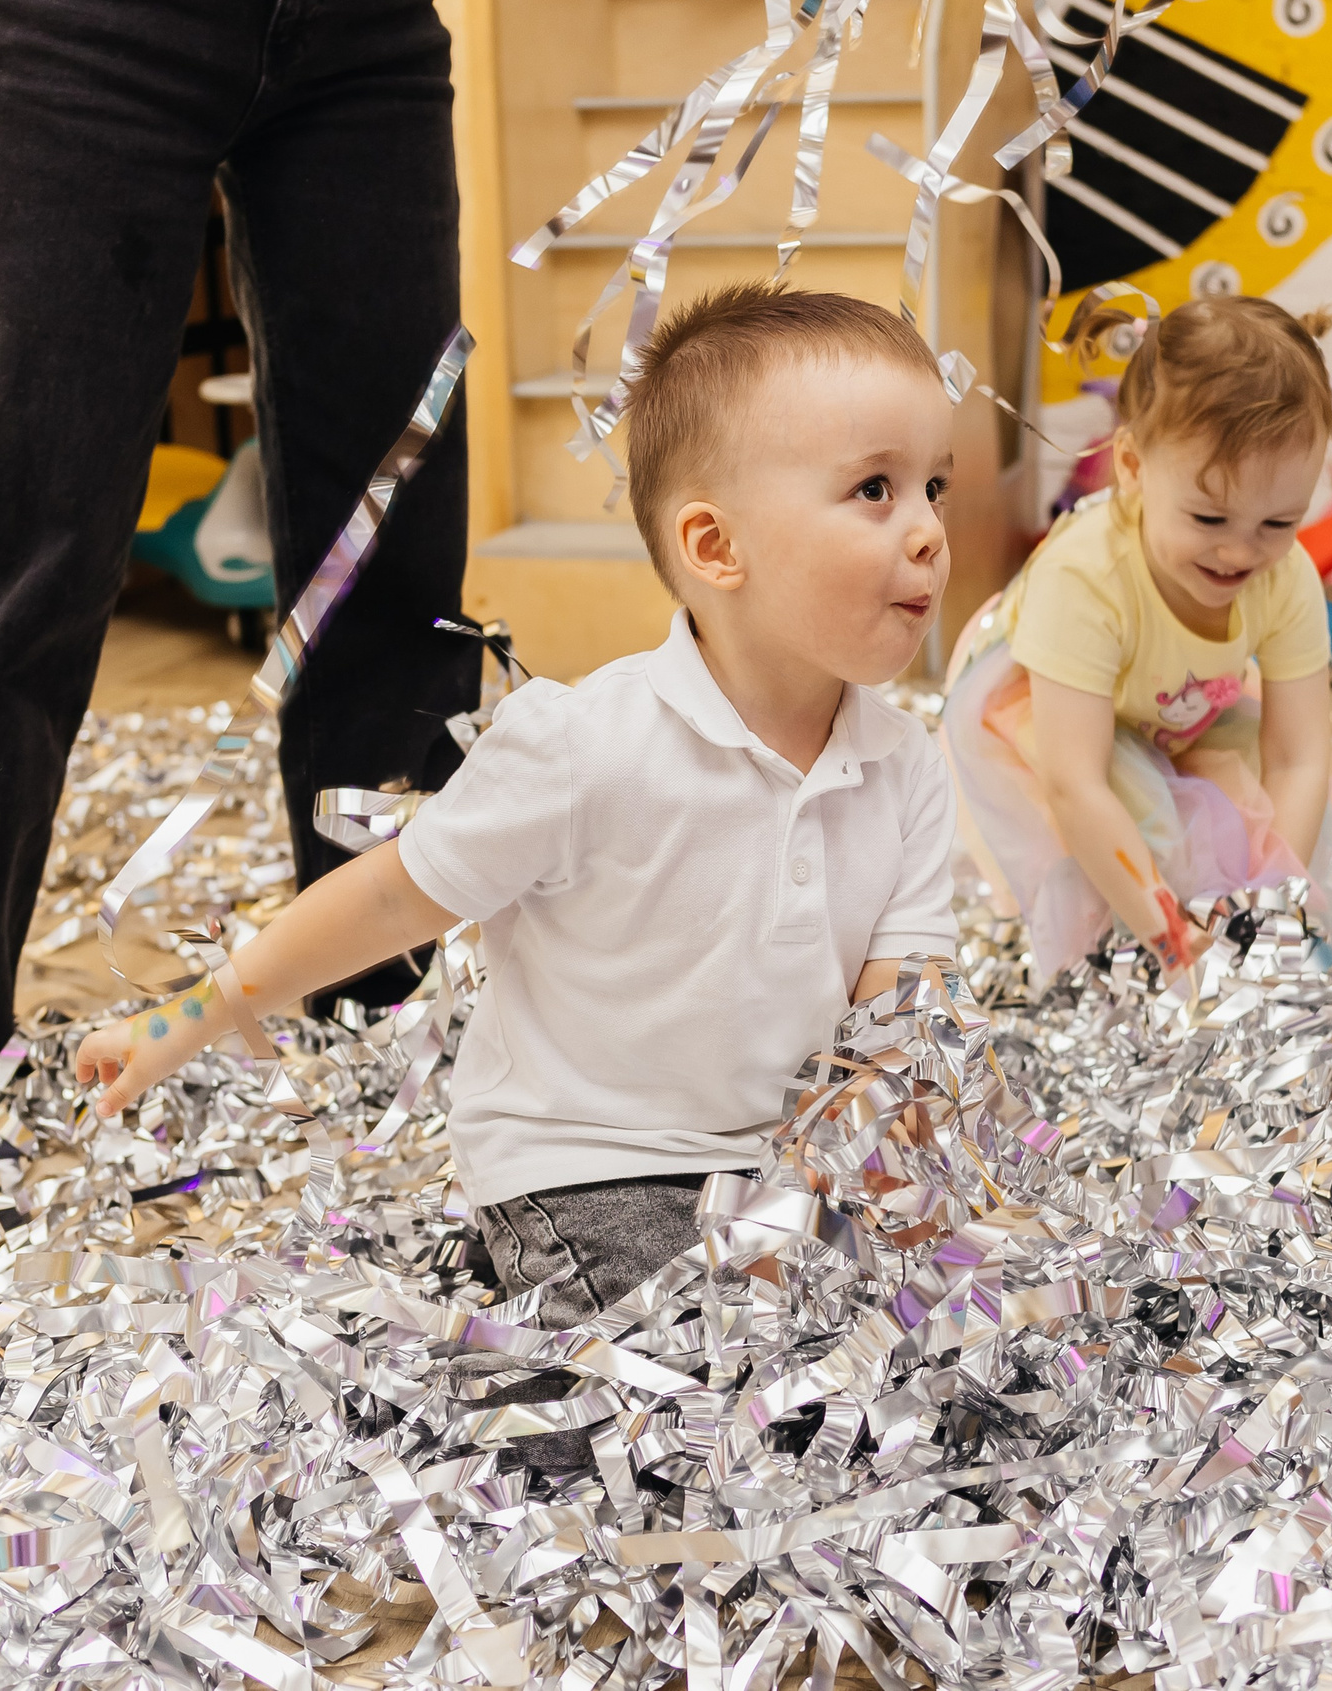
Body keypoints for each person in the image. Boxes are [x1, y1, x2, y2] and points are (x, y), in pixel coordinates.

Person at [73, 286, 959, 1463]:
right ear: (714, 546)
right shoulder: (581, 745)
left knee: (914, 1365)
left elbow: (897, 1015)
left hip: (773, 1162)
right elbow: (393, 895)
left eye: (936, 487)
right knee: (684, 1413)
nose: (929, 531)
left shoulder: (906, 767)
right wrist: (199, 1011)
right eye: (874, 490)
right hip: (594, 1166)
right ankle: (483, 1379)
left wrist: (897, 1175)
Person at [0, 0, 480, 1171]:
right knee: (22, 562)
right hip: (86, 22)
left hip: (370, 27)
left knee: (389, 551)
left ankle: (390, 992)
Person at [940, 297, 1332, 982]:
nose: (1239, 552)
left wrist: (1274, 901)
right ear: (1131, 466)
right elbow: (1077, 784)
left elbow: (1300, 758)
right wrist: (1170, 940)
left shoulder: (1284, 574)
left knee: (1250, 820)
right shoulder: (1087, 576)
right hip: (1035, 702)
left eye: (1279, 522)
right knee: (1136, 832)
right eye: (1208, 515)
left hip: (1165, 696)